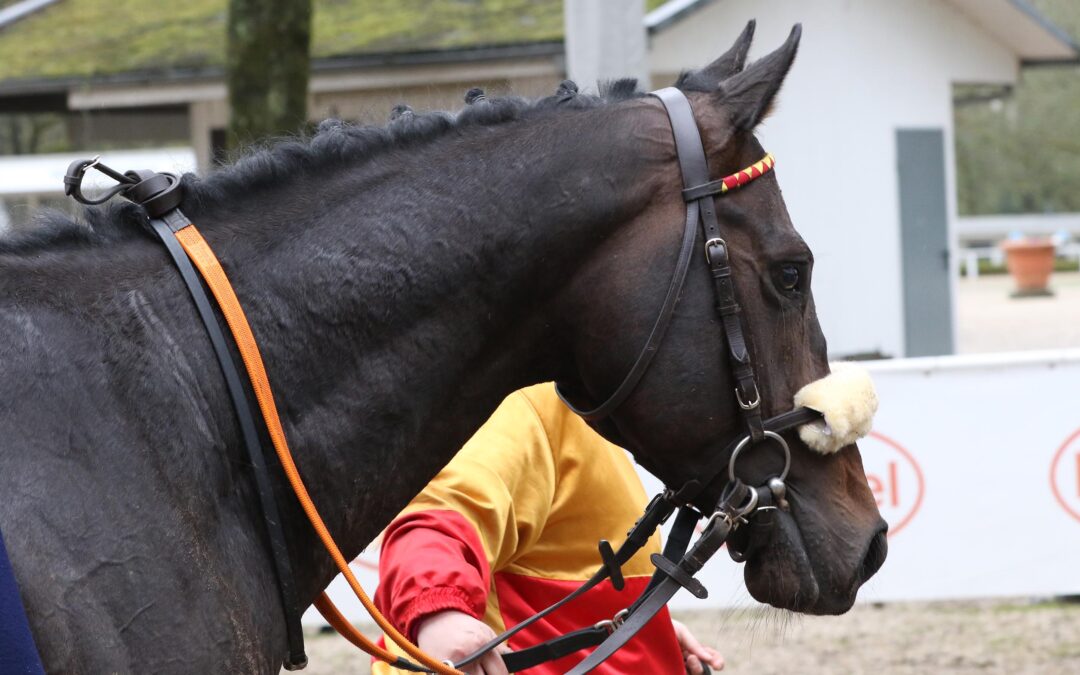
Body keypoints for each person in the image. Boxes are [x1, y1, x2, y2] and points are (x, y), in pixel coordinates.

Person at [372, 383, 724, 674]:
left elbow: (566, 562)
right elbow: (432, 523)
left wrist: (647, 629)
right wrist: (440, 613)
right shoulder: (520, 403)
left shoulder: (580, 407)